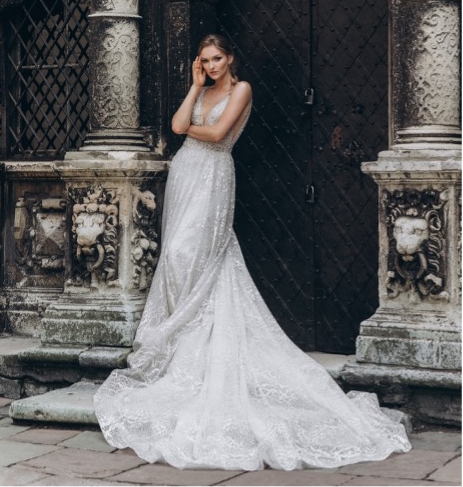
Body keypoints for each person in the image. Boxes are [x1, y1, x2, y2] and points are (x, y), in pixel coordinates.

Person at [94, 34, 411, 471]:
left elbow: (218, 134)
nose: (211, 66)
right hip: (186, 173)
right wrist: (192, 87)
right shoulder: (202, 88)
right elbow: (177, 126)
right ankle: (182, 345)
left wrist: (191, 129)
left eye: (217, 59)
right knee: (175, 256)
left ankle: (194, 341)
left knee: (193, 254)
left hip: (214, 172)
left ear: (230, 59)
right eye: (204, 61)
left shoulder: (242, 89)